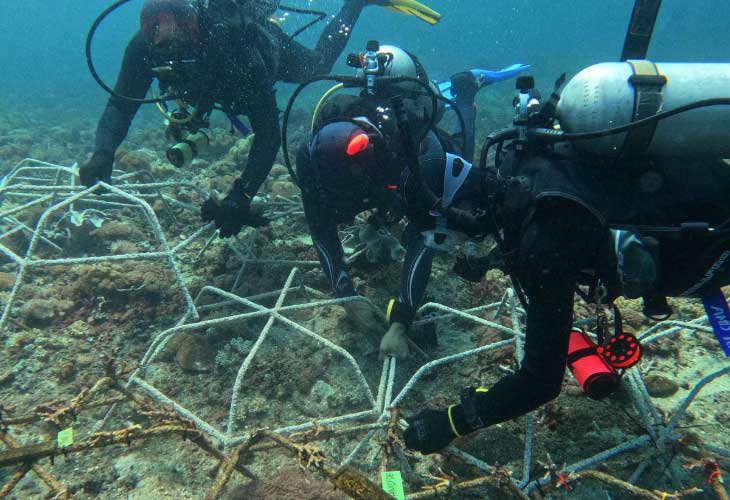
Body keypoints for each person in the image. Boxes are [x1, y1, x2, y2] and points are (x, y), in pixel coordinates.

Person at [401, 79, 730, 454]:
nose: (456, 249)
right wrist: (493, 258)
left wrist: (449, 423)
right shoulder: (522, 160)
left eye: (447, 238)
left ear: (463, 213)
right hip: (707, 190)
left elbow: (541, 382)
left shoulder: (542, 245)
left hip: (714, 242)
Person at [79, 0, 437, 237]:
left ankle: (354, 4)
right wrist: (103, 152)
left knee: (316, 67)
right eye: (154, 29)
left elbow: (267, 135)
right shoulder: (144, 49)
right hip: (212, 91)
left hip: (264, 60)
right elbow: (120, 105)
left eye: (177, 28)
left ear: (195, 24)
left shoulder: (238, 51)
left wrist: (242, 194)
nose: (166, 41)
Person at [295, 42, 523, 350]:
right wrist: (346, 295)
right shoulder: (312, 157)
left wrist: (402, 320)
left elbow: (424, 236)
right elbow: (320, 226)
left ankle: (466, 93)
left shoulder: (417, 157)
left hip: (423, 162)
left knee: (459, 156)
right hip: (381, 173)